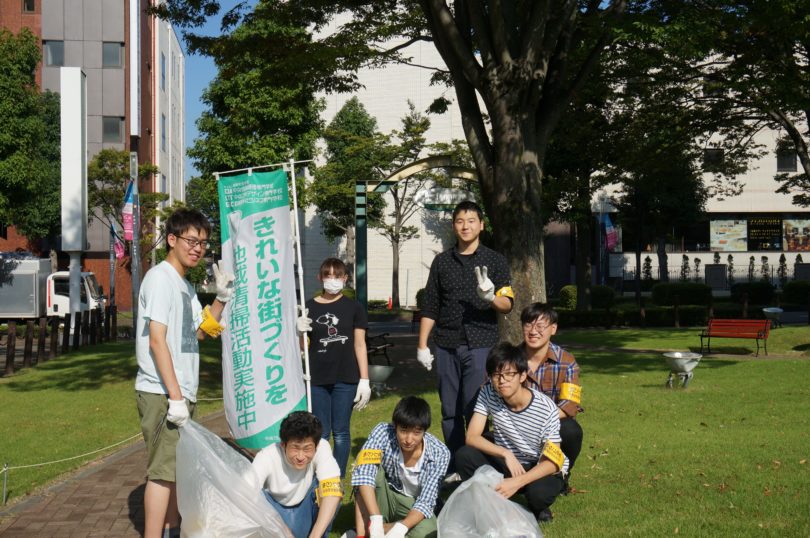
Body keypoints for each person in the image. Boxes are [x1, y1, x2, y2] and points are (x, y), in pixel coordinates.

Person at [134, 208, 234, 538]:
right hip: (163, 391)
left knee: (176, 470)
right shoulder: (160, 279)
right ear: (171, 239)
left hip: (180, 392)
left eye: (203, 243)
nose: (198, 249)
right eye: (191, 241)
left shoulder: (185, 286)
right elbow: (157, 340)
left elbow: (201, 331)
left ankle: (172, 530)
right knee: (162, 473)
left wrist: (221, 298)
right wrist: (174, 397)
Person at [415, 201, 513, 463]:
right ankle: (456, 463)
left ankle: (478, 464)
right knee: (449, 410)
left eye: (471, 221)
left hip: (481, 343)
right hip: (446, 344)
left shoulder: (495, 260)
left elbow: (508, 304)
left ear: (481, 225)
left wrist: (491, 297)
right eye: (460, 221)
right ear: (453, 226)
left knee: (476, 407)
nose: (465, 226)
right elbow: (431, 305)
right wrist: (422, 345)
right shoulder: (442, 262)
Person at [456, 342, 568, 523]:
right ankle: (492, 499)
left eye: (509, 374)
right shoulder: (488, 393)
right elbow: (472, 436)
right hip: (510, 462)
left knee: (538, 495)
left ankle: (537, 504)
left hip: (539, 465)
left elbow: (553, 462)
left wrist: (518, 481)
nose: (502, 381)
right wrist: (505, 453)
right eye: (496, 375)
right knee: (464, 455)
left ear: (522, 375)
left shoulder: (545, 408)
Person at [298, 258, 371, 478]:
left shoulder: (354, 307)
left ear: (345, 278)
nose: (332, 280)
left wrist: (365, 379)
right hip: (317, 378)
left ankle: (336, 479)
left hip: (346, 377)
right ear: (319, 277)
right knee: (321, 433)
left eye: (337, 275)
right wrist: (299, 331)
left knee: (341, 432)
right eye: (327, 275)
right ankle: (321, 475)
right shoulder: (308, 307)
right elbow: (302, 347)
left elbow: (360, 344)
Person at [350, 396, 450, 538]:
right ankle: (368, 529)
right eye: (403, 430)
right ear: (395, 426)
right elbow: (364, 473)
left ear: (425, 431)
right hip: (387, 493)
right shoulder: (383, 432)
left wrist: (402, 527)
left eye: (416, 433)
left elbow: (426, 501)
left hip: (413, 503)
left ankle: (375, 529)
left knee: (428, 530)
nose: (409, 439)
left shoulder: (440, 453)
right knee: (367, 468)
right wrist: (376, 518)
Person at [519, 303, 583, 490]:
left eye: (540, 326)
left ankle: (561, 473)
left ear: (553, 329)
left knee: (571, 430)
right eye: (528, 325)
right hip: (516, 425)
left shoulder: (567, 361)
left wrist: (538, 420)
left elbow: (569, 405)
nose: (533, 331)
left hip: (552, 425)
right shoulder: (510, 359)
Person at [248, 411, 342, 538]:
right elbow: (244, 496)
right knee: (256, 494)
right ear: (283, 444)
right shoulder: (266, 456)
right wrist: (284, 530)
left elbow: (333, 491)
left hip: (305, 510)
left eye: (307, 449)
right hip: (277, 516)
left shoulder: (322, 447)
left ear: (317, 445)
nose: (300, 457)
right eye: (295, 448)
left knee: (333, 487)